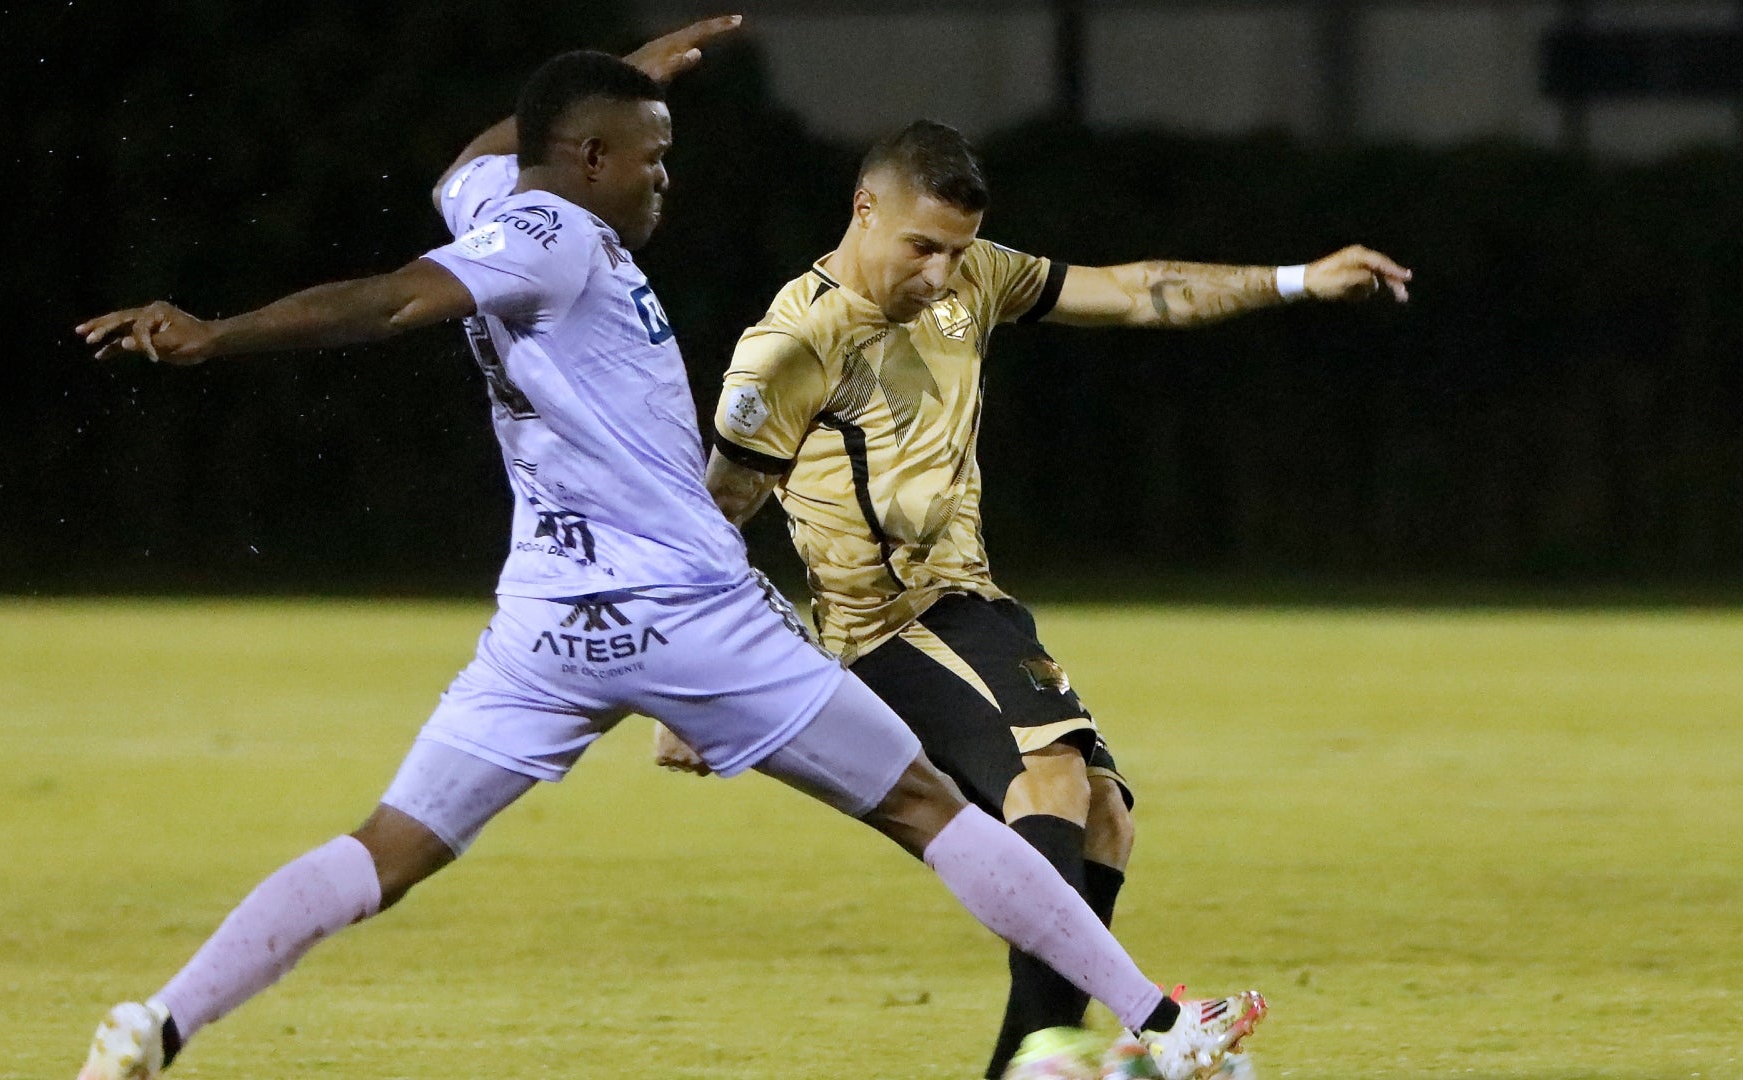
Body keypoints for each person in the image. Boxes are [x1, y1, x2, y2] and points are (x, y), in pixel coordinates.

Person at [68, 27, 1263, 1080]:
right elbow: (389, 303)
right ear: (588, 161)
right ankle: (1161, 1023)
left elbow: (463, 169)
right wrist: (216, 335)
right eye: (650, 155)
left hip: (549, 621)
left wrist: (621, 78)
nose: (664, 180)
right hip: (690, 609)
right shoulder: (556, 242)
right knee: (927, 806)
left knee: (383, 849)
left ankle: (156, 1025)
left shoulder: (504, 202)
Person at [655, 119, 1408, 1078]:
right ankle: (1072, 1051)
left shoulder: (976, 277)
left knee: (1102, 814)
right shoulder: (794, 342)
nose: (937, 273)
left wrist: (1296, 280)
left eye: (955, 250)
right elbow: (710, 513)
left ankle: (1036, 1060)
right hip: (891, 626)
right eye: (919, 246)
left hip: (974, 607)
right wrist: (686, 681)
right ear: (864, 208)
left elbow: (1136, 293)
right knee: (1048, 777)